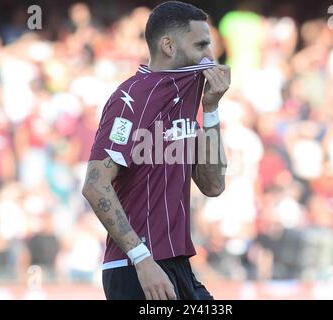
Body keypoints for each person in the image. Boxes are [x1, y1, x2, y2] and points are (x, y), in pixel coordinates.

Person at [82, 1, 230, 300]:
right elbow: (95, 186)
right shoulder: (133, 96)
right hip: (136, 267)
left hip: (178, 264)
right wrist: (142, 259)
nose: (210, 57)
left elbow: (213, 185)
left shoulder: (190, 93)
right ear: (168, 46)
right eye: (201, 45)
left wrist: (211, 110)